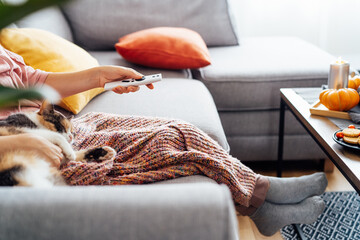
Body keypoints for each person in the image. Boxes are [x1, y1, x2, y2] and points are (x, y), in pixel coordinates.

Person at [0, 45, 327, 236]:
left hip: (58, 128)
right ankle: (261, 197)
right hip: (27, 157)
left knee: (175, 130)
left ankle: (260, 198)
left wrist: (100, 75)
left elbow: (36, 80)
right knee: (170, 153)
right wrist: (18, 145)